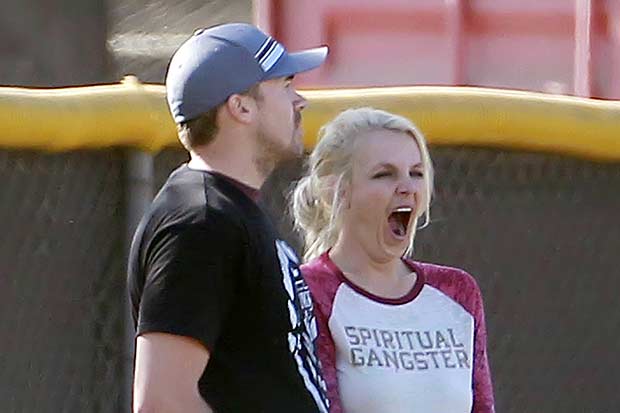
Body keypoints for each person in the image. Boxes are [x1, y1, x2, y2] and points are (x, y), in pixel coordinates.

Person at [127, 23, 330, 413]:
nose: (300, 100)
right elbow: (161, 402)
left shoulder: (229, 211)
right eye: (285, 84)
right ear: (241, 107)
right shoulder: (200, 223)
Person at [291, 107, 495, 413]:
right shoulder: (307, 290)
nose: (407, 188)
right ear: (337, 191)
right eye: (384, 174)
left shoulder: (457, 291)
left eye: (417, 173)